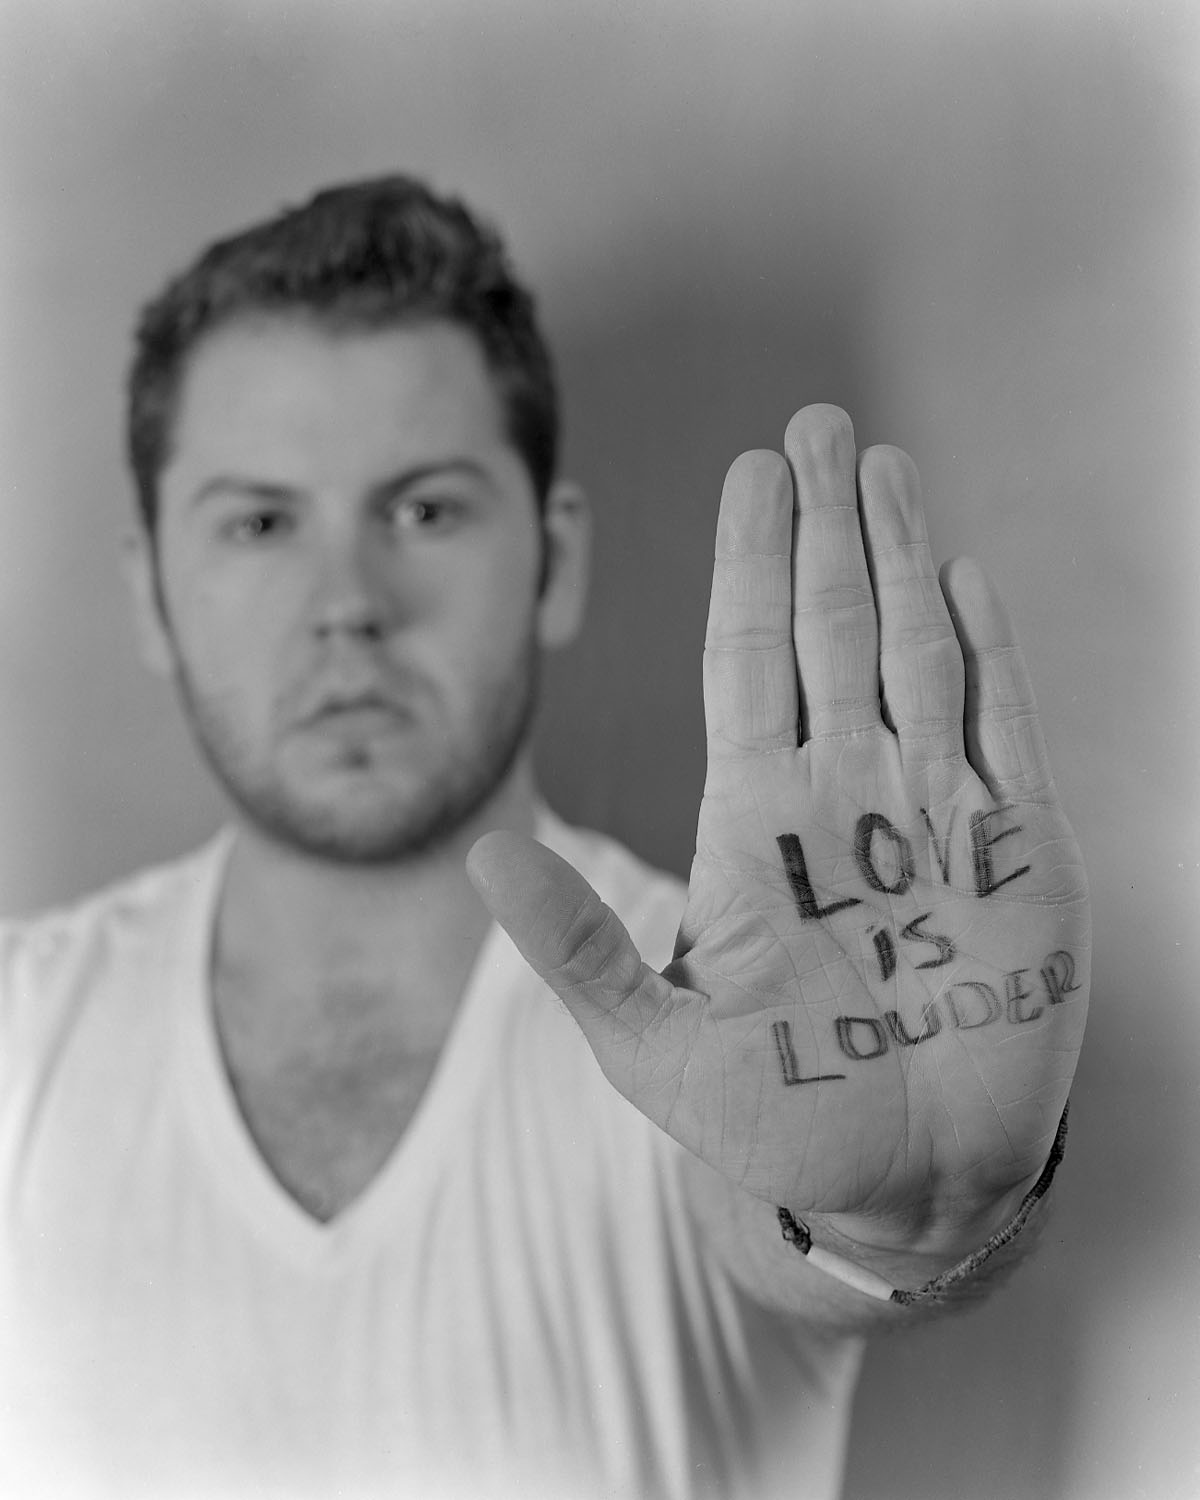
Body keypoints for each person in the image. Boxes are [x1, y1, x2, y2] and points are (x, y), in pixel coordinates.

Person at [0, 176, 1089, 1500]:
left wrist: (914, 1218)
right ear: (152, 593)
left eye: (426, 509)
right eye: (261, 522)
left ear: (554, 559)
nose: (348, 603)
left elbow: (780, 1204)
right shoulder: (22, 1032)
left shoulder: (754, 1018)